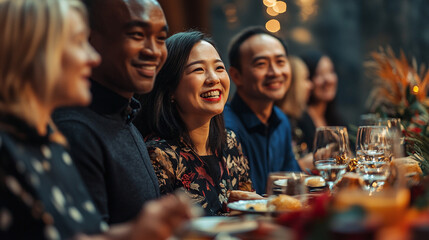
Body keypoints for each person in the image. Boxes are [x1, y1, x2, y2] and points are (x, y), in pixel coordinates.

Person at [0, 0, 190, 239]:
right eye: (80, 42)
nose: (92, 57)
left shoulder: (49, 140)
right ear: (32, 51)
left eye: (161, 38)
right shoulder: (59, 133)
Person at [53, 0, 168, 224]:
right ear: (89, 39)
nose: (153, 51)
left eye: (161, 38)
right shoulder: (75, 129)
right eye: (136, 34)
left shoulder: (125, 117)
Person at [135, 31, 259, 216]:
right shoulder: (159, 155)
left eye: (219, 68)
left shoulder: (230, 140)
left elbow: (248, 205)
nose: (214, 79)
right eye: (198, 70)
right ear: (170, 90)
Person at [223, 26, 300, 194]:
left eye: (280, 62)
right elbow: (237, 200)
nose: (275, 72)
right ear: (236, 76)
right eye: (261, 64)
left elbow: (291, 182)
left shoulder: (281, 120)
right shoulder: (226, 128)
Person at [298, 50, 345, 152]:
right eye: (319, 74)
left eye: (330, 72)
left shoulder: (335, 119)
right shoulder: (299, 121)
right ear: (307, 79)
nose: (328, 80)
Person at [275, 56, 313, 171]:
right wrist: (304, 164)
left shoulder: (298, 118)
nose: (310, 85)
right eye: (306, 79)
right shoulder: (277, 121)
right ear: (293, 84)